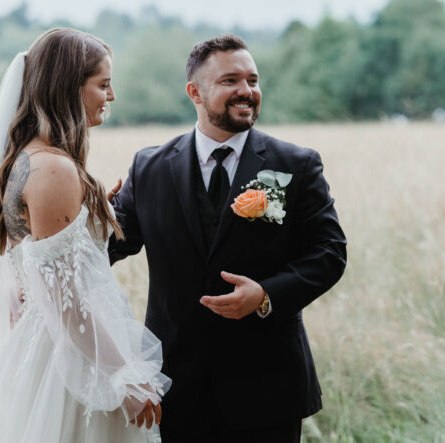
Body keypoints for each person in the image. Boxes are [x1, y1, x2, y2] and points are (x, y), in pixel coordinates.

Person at [0, 28, 170, 443]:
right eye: (103, 85)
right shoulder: (53, 168)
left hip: (50, 344)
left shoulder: (30, 158)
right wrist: (121, 375)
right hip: (70, 363)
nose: (112, 96)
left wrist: (89, 216)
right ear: (69, 87)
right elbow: (66, 298)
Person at [109, 34, 347, 442]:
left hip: (268, 385)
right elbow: (113, 243)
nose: (247, 92)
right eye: (230, 81)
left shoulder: (297, 163)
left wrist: (266, 294)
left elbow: (329, 253)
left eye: (253, 80)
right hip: (174, 384)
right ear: (195, 92)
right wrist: (70, 223)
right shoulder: (148, 167)